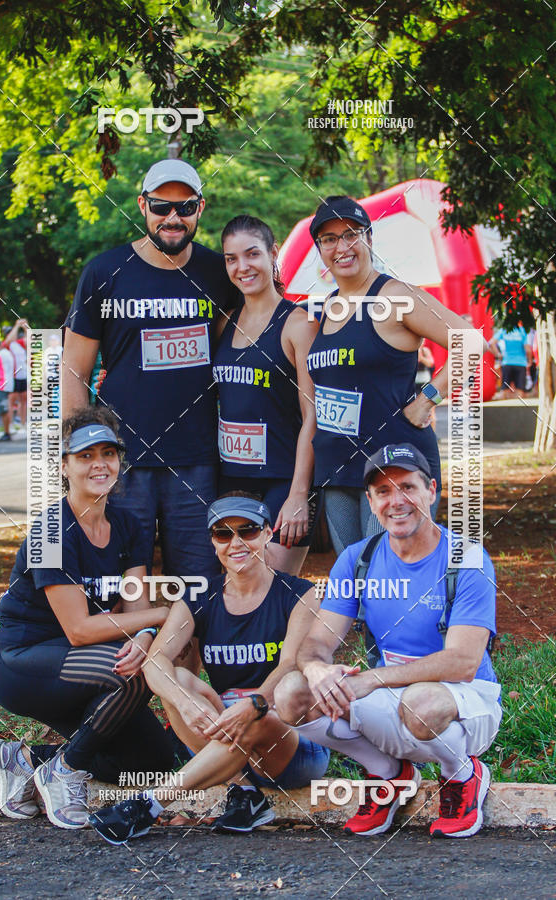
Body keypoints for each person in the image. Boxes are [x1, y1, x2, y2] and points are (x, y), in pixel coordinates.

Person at [274, 443, 501, 839]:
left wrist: (369, 681)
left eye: (408, 487)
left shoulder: (467, 557)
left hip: (465, 698)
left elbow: (463, 662)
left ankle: (462, 773)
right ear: (370, 501)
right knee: (292, 692)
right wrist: (316, 669)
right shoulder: (358, 559)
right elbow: (315, 643)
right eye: (383, 491)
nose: (397, 501)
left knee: (421, 703)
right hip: (393, 693)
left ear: (432, 490)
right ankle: (388, 774)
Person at [88, 493, 330, 845]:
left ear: (267, 534)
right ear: (213, 541)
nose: (236, 543)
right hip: (225, 738)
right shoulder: (200, 596)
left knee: (258, 716)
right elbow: (156, 661)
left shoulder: (299, 594)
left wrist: (254, 703)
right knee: (178, 680)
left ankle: (149, 804)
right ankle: (244, 794)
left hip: (288, 743)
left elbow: (291, 664)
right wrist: (184, 703)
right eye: (223, 534)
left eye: (247, 531)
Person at [0, 407, 176, 830]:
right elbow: (79, 629)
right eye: (86, 455)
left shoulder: (129, 523)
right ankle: (64, 771)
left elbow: (132, 604)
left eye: (108, 453)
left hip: (80, 661)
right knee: (131, 674)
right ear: (65, 466)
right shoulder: (51, 532)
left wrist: (144, 631)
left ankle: (23, 759)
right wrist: (163, 615)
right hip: (22, 659)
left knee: (151, 763)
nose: (99, 464)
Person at [63, 158, 240, 580]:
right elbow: (73, 374)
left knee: (198, 584)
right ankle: (132, 648)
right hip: (123, 461)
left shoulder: (219, 273)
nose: (173, 218)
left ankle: (189, 650)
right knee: (123, 582)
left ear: (201, 207)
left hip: (197, 460)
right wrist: (77, 456)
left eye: (185, 207)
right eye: (161, 207)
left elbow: (236, 351)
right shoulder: (104, 273)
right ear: (142, 206)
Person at [306, 195, 483, 555]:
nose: (342, 246)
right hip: (338, 465)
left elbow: (470, 342)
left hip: (395, 465)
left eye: (351, 234)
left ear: (369, 239)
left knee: (392, 573)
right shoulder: (325, 309)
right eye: (329, 238)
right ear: (320, 249)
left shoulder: (395, 297)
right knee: (355, 576)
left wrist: (426, 399)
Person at [213, 216, 320, 574]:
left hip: (282, 480)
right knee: (231, 591)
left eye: (252, 254)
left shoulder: (298, 324)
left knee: (266, 585)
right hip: (230, 482)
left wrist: (298, 495)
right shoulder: (224, 323)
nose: (242, 267)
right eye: (231, 258)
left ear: (273, 253)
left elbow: (313, 416)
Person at [490, 324, 533, 399]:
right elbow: (528, 349)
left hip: (507, 362)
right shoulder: (522, 331)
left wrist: (498, 355)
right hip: (520, 363)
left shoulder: (504, 329)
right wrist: (529, 360)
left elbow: (491, 343)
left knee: (504, 390)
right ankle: (519, 409)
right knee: (520, 391)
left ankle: (503, 409)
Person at [2, 318, 28, 426]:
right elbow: (9, 340)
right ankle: (11, 423)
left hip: (23, 376)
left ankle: (22, 423)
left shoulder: (21, 343)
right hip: (13, 377)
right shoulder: (7, 345)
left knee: (24, 401)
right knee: (11, 402)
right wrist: (16, 326)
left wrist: (26, 326)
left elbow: (30, 339)